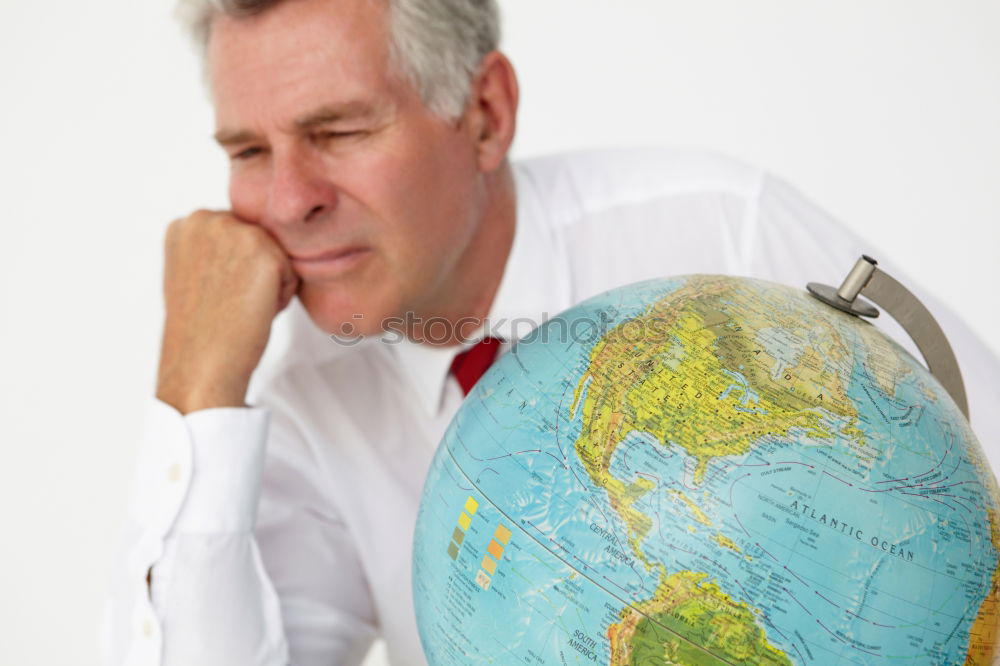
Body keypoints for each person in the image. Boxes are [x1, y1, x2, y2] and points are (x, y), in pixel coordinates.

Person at [102, 0, 1000, 664]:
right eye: (248, 153)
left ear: (485, 114)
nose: (290, 200)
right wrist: (196, 393)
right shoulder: (302, 391)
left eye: (336, 130)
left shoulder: (725, 232)